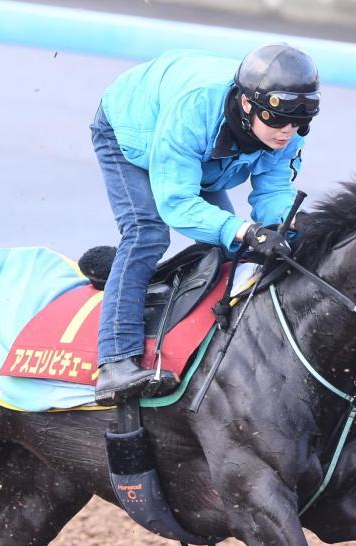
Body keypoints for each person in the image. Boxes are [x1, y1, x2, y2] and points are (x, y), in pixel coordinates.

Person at [90, 43, 320, 405]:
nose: (287, 132)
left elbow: (274, 193)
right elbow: (177, 202)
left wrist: (291, 229)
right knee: (146, 233)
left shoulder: (287, 130)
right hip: (134, 134)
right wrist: (244, 230)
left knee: (233, 246)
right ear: (247, 104)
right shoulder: (194, 109)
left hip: (196, 152)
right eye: (277, 120)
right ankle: (115, 362)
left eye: (298, 121)